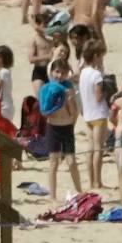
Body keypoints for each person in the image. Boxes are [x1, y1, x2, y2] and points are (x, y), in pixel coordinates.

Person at [41, 58, 82, 204]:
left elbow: (73, 113)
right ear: (52, 72)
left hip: (67, 127)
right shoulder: (48, 88)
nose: (59, 75)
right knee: (53, 162)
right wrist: (55, 100)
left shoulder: (69, 88)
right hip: (53, 127)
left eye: (63, 73)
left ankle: (79, 191)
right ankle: (52, 196)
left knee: (71, 162)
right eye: (57, 72)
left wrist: (69, 100)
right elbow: (45, 112)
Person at [77, 39, 109, 191]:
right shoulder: (96, 75)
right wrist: (108, 92)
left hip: (88, 115)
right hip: (98, 114)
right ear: (96, 55)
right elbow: (98, 96)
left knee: (90, 149)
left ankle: (91, 181)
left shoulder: (83, 72)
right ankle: (98, 181)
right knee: (98, 149)